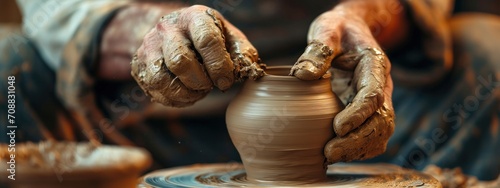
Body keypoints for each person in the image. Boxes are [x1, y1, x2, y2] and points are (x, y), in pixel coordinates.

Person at [0, 0, 498, 180]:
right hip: (140, 116)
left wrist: (363, 17)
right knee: (8, 69)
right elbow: (53, 9)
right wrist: (140, 27)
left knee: (488, 53)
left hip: (348, 114)